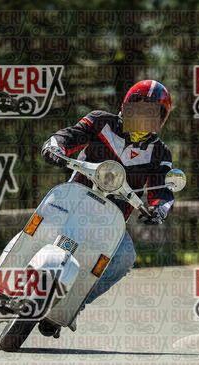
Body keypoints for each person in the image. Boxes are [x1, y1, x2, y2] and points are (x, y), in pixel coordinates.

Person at [39, 80, 175, 337]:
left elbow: (162, 189)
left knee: (125, 257)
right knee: (41, 222)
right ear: (126, 106)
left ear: (161, 119)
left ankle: (71, 306)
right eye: (139, 110)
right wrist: (55, 146)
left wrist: (159, 208)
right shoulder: (100, 122)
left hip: (110, 224)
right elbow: (70, 135)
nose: (144, 118)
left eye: (151, 113)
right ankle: (7, 277)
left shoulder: (160, 153)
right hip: (73, 201)